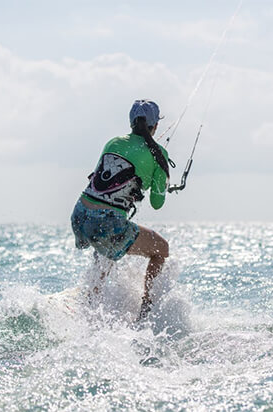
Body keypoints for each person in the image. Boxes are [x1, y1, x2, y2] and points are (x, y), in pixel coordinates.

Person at [71, 99, 170, 322]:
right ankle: (146, 312)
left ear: (131, 122)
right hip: (106, 223)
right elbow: (157, 203)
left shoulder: (113, 142)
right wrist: (162, 185)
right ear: (155, 126)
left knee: (105, 246)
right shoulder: (158, 154)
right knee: (161, 249)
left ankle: (90, 302)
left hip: (79, 215)